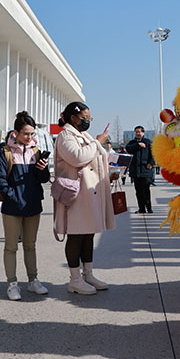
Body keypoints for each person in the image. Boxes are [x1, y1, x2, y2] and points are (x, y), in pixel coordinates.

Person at [54, 102, 116, 295]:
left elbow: (98, 157)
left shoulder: (84, 135)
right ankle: (74, 279)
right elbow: (78, 157)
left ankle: (87, 274)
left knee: (88, 233)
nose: (88, 121)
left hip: (89, 193)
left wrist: (112, 171)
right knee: (76, 234)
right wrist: (97, 142)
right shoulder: (65, 136)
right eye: (85, 118)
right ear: (73, 118)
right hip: (76, 195)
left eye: (90, 118)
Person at [0, 111, 50, 301]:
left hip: (33, 205)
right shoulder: (4, 154)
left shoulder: (36, 152)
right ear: (15, 133)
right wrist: (12, 196)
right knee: (10, 247)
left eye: (32, 134)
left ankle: (33, 281)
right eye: (26, 133)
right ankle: (12, 284)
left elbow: (44, 179)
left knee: (30, 245)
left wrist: (42, 170)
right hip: (13, 207)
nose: (30, 137)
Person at [126, 126, 155, 213]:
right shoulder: (132, 143)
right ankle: (141, 209)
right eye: (136, 132)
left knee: (146, 190)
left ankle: (149, 208)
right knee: (138, 191)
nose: (138, 133)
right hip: (135, 171)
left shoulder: (148, 142)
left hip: (145, 170)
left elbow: (153, 154)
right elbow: (128, 149)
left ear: (143, 133)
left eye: (139, 132)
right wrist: (138, 145)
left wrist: (151, 163)